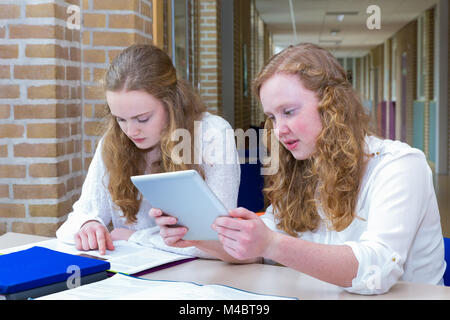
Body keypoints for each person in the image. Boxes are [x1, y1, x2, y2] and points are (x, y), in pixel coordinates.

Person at [153, 43, 446, 295]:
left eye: (289, 112)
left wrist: (271, 244)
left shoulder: (401, 166)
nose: (279, 130)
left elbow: (376, 271)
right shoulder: (303, 167)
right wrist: (199, 238)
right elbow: (259, 249)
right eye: (272, 117)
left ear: (333, 106)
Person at [56, 44, 240, 258]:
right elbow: (78, 217)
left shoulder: (213, 135)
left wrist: (133, 237)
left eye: (142, 118)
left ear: (171, 103)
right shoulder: (113, 140)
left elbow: (221, 240)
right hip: (133, 273)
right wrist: (88, 224)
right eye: (120, 119)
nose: (131, 131)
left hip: (200, 276)